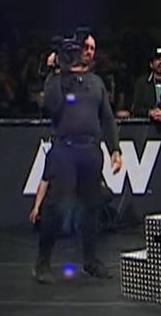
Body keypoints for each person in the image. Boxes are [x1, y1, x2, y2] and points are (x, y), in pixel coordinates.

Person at [32, 35, 121, 284]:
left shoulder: (96, 82)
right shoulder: (59, 80)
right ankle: (42, 262)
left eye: (92, 48)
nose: (88, 52)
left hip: (90, 151)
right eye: (85, 47)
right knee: (56, 206)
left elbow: (107, 118)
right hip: (65, 150)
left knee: (92, 207)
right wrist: (54, 71)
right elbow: (52, 106)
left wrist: (115, 149)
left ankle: (90, 261)